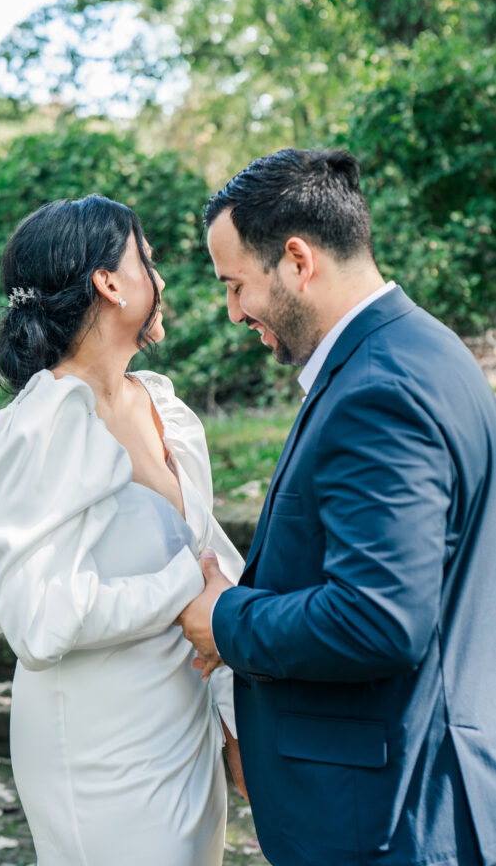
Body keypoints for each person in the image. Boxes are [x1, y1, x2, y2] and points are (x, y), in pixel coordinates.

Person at [179, 148, 496, 866]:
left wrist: (223, 619)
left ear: (296, 260)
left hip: (387, 818)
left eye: (235, 286)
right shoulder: (426, 351)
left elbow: (377, 618)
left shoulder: (376, 391)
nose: (233, 313)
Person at [0, 194, 245, 866]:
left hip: (182, 728)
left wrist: (239, 688)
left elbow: (209, 555)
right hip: (98, 750)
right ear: (108, 283)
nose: (162, 276)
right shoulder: (46, 426)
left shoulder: (163, 405)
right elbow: (39, 620)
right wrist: (184, 587)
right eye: (145, 259)